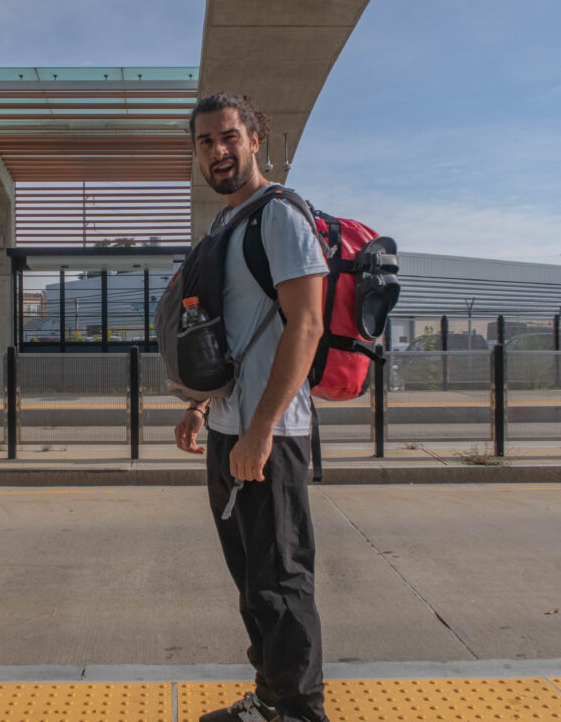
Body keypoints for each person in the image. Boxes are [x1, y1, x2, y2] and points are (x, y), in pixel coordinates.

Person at [174, 92, 330, 722]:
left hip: (272, 435)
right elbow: (232, 335)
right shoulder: (226, 224)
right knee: (252, 582)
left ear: (255, 139)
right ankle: (270, 698)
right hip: (231, 428)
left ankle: (297, 711)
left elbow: (307, 325)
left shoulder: (279, 217)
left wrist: (261, 430)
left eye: (229, 137)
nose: (218, 151)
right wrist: (203, 409)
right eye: (206, 142)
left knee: (283, 581)